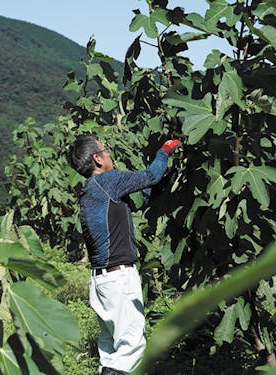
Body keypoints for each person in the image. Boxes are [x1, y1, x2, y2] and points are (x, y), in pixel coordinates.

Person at [68, 134, 182, 375]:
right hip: (119, 278)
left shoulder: (92, 191)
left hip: (101, 283)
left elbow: (137, 203)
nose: (109, 153)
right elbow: (150, 176)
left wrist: (169, 179)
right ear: (98, 159)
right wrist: (166, 150)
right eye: (105, 150)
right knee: (133, 346)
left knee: (111, 351)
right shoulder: (108, 181)